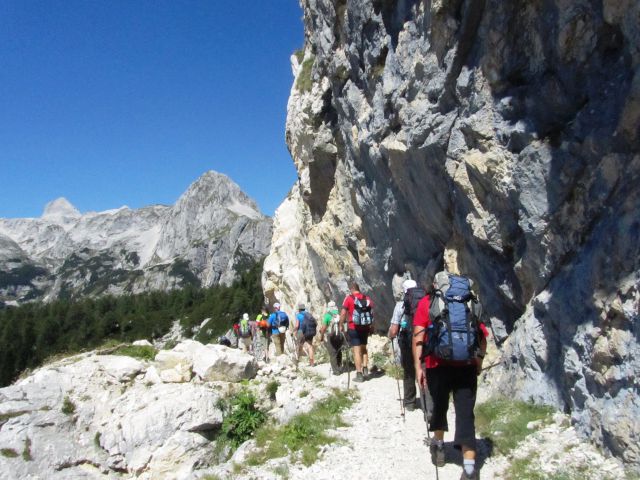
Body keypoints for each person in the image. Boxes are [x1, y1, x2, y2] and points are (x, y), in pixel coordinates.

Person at [412, 272, 488, 480]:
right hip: (466, 366)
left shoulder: (429, 302)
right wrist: (478, 363)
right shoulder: (468, 303)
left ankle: (438, 447)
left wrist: (419, 367)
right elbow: (482, 338)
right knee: (465, 413)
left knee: (439, 406)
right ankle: (470, 467)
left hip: (437, 365)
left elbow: (418, 337)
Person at [388, 279, 418, 411]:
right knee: (424, 370)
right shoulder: (425, 303)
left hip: (407, 342)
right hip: (423, 342)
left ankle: (410, 402)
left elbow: (394, 330)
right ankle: (429, 403)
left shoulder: (400, 305)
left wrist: (390, 336)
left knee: (409, 371)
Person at [339, 282, 374, 383]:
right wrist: (371, 326)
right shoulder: (367, 298)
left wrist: (341, 325)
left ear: (351, 289)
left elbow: (343, 313)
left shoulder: (349, 298)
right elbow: (372, 313)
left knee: (356, 351)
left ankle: (359, 374)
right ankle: (365, 368)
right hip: (365, 327)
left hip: (353, 327)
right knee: (364, 348)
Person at [319, 300, 344, 375]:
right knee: (339, 351)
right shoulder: (338, 314)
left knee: (332, 353)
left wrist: (321, 336)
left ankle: (335, 371)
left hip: (331, 336)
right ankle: (339, 367)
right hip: (339, 336)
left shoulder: (327, 316)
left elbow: (323, 328)